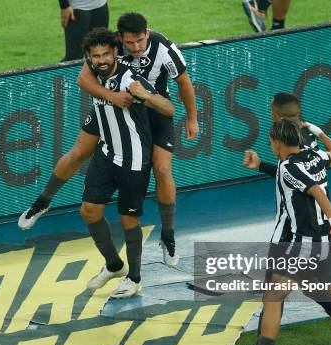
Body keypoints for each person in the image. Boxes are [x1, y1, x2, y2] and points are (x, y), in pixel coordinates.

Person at [20, 12, 199, 268]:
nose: (135, 48)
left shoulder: (164, 50)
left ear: (147, 33)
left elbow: (183, 83)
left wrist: (192, 118)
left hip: (153, 107)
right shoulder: (110, 50)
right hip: (115, 105)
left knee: (162, 169)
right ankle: (43, 202)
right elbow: (83, 78)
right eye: (130, 43)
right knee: (79, 152)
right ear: (119, 40)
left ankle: (168, 236)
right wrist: (110, 96)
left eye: (140, 40)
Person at [225, 92, 331, 345]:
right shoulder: (310, 143)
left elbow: (301, 182)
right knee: (316, 291)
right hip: (319, 238)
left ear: (274, 116)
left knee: (277, 294)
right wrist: (261, 166)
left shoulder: (287, 148)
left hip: (294, 235)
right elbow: (308, 171)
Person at [70, 28, 174, 298]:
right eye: (96, 55)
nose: (102, 59)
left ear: (116, 52)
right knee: (89, 211)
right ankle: (114, 265)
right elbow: (84, 80)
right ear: (89, 58)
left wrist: (145, 96)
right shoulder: (92, 76)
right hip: (106, 155)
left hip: (134, 160)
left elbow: (169, 109)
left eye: (106, 53)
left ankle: (135, 278)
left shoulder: (130, 79)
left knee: (128, 219)